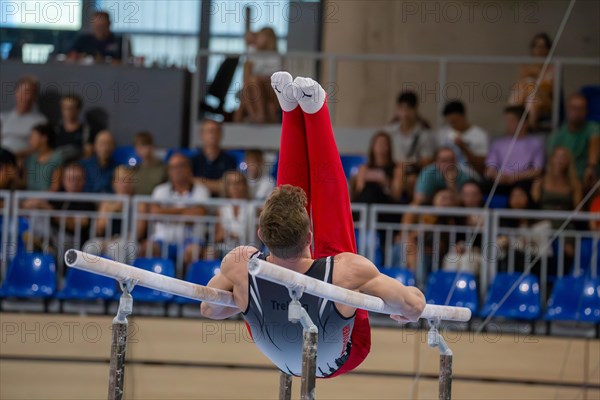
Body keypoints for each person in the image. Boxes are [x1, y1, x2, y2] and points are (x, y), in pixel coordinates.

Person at [201, 72, 425, 379]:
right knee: (338, 261)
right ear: (309, 236)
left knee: (332, 263)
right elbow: (414, 306)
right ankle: (300, 111)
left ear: (260, 234)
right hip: (341, 356)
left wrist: (246, 302)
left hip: (283, 353)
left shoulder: (239, 265)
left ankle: (300, 110)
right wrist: (400, 306)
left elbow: (209, 309)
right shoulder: (346, 271)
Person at [146, 153, 211, 266]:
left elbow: (198, 214)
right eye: (172, 167)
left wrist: (167, 213)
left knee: (193, 251)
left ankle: (188, 282)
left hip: (192, 240)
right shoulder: (160, 190)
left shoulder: (201, 190)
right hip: (163, 240)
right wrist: (184, 210)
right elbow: (155, 213)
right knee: (147, 248)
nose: (177, 170)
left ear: (189, 169)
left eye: (180, 166)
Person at [21, 163, 96, 256]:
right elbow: (27, 205)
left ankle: (44, 246)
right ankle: (42, 244)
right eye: (70, 178)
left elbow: (75, 225)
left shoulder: (88, 203)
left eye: (77, 178)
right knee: (37, 213)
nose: (74, 182)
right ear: (63, 180)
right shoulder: (56, 197)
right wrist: (35, 204)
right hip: (49, 235)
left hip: (70, 242)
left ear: (84, 180)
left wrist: (49, 211)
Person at [83, 165, 146, 263]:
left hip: (129, 242)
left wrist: (119, 239)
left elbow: (139, 232)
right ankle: (90, 278)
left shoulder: (139, 204)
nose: (125, 184)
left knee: (118, 248)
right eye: (121, 180)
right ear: (114, 183)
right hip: (108, 240)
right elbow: (99, 229)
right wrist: (110, 211)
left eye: (128, 180)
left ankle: (117, 279)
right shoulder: (107, 203)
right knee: (90, 246)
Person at [384, 91, 437, 201]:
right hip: (390, 168)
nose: (405, 114)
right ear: (397, 110)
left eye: (408, 109)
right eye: (402, 109)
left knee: (407, 177)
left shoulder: (424, 134)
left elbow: (427, 160)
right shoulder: (389, 132)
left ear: (415, 110)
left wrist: (406, 164)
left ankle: (392, 207)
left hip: (414, 170)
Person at [547, 94, 600, 192]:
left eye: (581, 108)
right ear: (567, 109)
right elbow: (551, 163)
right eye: (574, 108)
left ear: (586, 111)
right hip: (566, 180)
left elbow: (595, 141)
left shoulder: (593, 128)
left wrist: (591, 166)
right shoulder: (557, 135)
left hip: (590, 178)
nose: (577, 111)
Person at [485, 106, 544, 194]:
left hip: (522, 181)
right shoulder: (498, 143)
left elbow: (537, 171)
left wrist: (514, 177)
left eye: (511, 121)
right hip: (500, 180)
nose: (507, 124)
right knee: (472, 189)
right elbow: (490, 168)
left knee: (519, 193)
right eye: (506, 121)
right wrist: (496, 176)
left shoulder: (535, 144)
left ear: (524, 123)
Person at [234, 27, 281, 123]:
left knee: (254, 81)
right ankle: (257, 115)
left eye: (260, 36)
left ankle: (259, 115)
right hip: (252, 88)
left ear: (268, 39)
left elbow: (274, 77)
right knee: (251, 84)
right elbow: (246, 74)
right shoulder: (253, 52)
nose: (257, 39)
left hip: (269, 89)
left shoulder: (275, 56)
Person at [508, 33, 554, 130]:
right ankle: (513, 120)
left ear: (548, 49)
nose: (539, 50)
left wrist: (535, 73)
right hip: (527, 98)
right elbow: (522, 82)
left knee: (531, 89)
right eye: (536, 46)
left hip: (545, 100)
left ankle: (527, 128)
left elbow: (551, 90)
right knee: (523, 88)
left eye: (542, 46)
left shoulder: (553, 68)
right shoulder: (526, 66)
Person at [437, 100, 488, 178]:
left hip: (469, 174)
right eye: (450, 122)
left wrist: (464, 147)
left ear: (463, 116)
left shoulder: (479, 135)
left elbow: (481, 166)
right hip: (446, 173)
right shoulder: (444, 133)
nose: (453, 125)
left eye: (455, 121)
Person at [0, 75, 47, 156]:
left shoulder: (40, 121)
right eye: (25, 92)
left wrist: (14, 156)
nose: (28, 97)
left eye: (32, 94)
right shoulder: (2, 117)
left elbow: (38, 147)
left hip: (24, 161)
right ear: (16, 93)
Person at [351, 131, 403, 203]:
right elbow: (359, 191)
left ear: (389, 147)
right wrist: (366, 178)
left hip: (385, 203)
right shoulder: (364, 168)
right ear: (373, 147)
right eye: (378, 144)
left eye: (384, 144)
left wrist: (385, 183)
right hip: (365, 201)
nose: (381, 147)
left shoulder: (396, 169)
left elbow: (396, 196)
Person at [191, 120, 238, 196]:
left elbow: (226, 186)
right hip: (197, 202)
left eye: (215, 131)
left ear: (221, 134)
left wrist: (198, 182)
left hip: (222, 203)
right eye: (209, 131)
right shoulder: (193, 160)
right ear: (201, 134)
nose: (212, 134)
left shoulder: (229, 160)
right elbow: (187, 183)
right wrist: (216, 184)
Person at [214, 171, 253, 255]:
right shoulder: (222, 208)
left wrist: (229, 234)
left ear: (245, 186)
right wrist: (230, 235)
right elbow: (218, 237)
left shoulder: (253, 208)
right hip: (226, 252)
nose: (235, 187)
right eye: (230, 184)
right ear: (226, 187)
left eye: (238, 183)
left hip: (249, 251)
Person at [23, 124, 62, 191]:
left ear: (44, 138)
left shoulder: (57, 158)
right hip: (27, 198)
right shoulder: (29, 158)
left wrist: (38, 200)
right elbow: (25, 183)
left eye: (33, 137)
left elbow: (55, 187)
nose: (30, 140)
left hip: (46, 199)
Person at [54, 94, 91, 162]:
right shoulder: (55, 130)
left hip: (77, 168)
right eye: (64, 108)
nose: (67, 111)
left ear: (78, 109)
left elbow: (88, 154)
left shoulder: (86, 130)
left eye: (71, 108)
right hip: (57, 167)